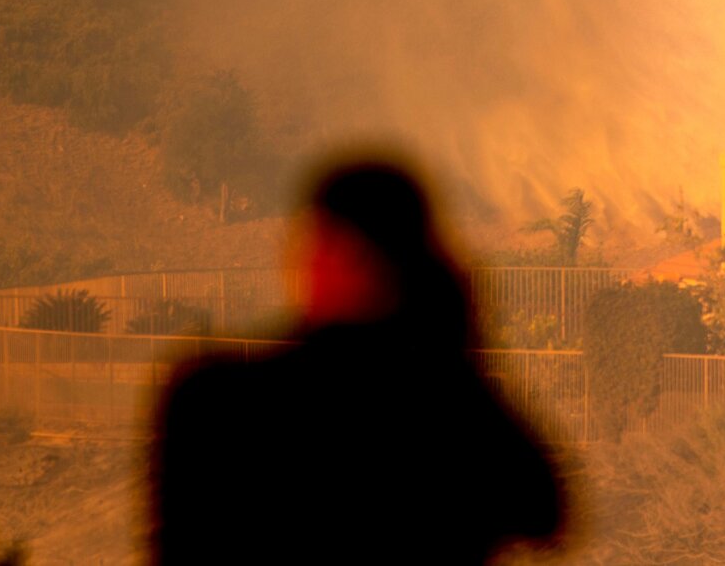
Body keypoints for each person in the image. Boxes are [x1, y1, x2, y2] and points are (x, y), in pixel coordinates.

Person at [152, 153, 564, 563]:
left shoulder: (214, 399)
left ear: (348, 254)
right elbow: (542, 510)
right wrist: (451, 338)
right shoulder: (444, 408)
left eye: (315, 241)